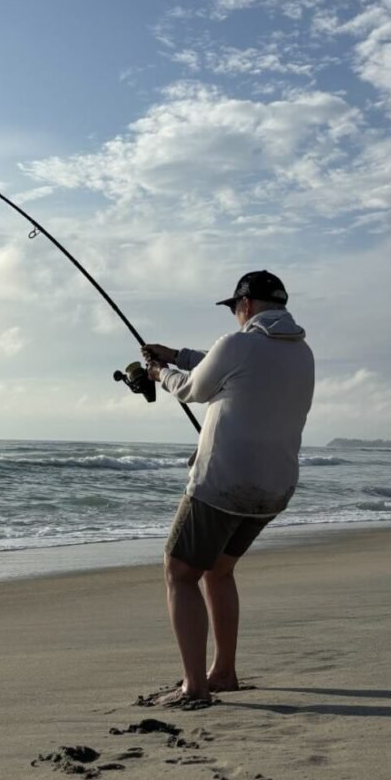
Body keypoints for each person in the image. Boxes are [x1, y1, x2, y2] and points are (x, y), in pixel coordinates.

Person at [142, 270, 314, 705]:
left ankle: (194, 686)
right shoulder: (301, 353)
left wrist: (161, 371)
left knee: (179, 572)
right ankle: (223, 672)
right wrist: (177, 352)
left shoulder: (238, 344)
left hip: (222, 483)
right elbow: (232, 362)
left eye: (236, 308)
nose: (236, 316)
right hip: (274, 490)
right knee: (219, 570)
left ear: (247, 306)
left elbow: (191, 389)